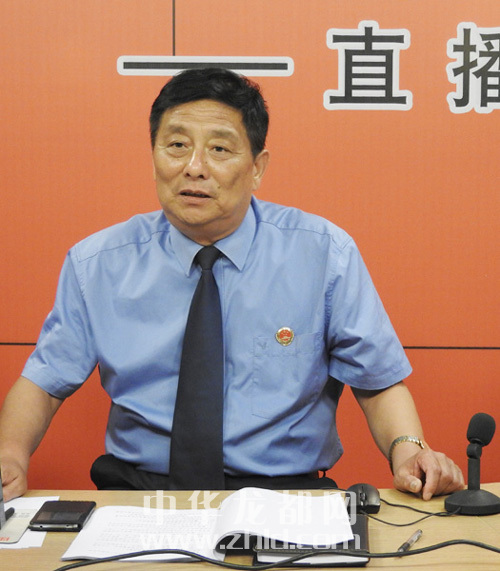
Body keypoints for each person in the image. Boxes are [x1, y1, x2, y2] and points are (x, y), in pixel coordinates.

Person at [0, 68, 464, 501]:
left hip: (285, 496)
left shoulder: (324, 254)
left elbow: (378, 383)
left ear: (258, 167)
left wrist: (408, 450)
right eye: (176, 145)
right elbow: (44, 382)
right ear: (154, 157)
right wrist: (10, 455)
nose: (194, 167)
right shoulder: (97, 263)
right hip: (138, 494)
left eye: (219, 149)